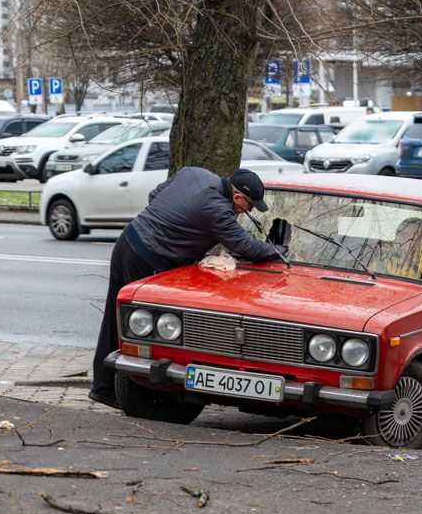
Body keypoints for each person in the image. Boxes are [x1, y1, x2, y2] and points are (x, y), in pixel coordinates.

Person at [89, 167, 284, 408]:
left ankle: (104, 388)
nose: (247, 212)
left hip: (128, 241)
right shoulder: (216, 209)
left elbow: (154, 195)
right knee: (143, 329)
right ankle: (140, 399)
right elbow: (246, 247)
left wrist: (172, 225)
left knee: (114, 320)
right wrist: (278, 253)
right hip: (147, 259)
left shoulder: (195, 174)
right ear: (237, 197)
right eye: (249, 207)